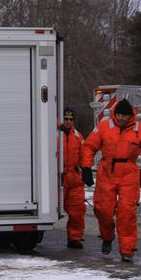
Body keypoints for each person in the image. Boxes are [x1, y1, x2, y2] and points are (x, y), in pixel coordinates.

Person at [81, 98, 141, 263]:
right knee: (103, 210)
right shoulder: (104, 126)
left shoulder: (140, 129)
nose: (121, 118)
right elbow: (89, 146)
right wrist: (86, 168)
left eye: (124, 115)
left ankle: (127, 250)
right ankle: (107, 237)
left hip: (129, 175)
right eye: (118, 114)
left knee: (127, 213)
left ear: (130, 115)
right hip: (107, 172)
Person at [59, 107, 85, 249]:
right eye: (66, 119)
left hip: (74, 179)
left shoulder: (78, 137)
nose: (68, 122)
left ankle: (75, 238)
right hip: (59, 179)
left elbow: (84, 156)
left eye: (71, 119)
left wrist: (84, 170)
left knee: (77, 210)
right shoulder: (55, 135)